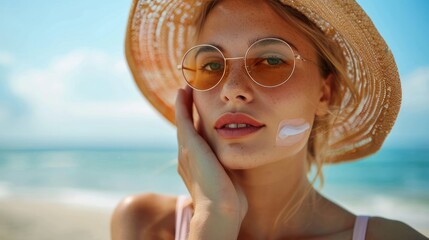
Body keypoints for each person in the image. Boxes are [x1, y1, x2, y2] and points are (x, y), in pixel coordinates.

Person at [111, 0, 428, 239]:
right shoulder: (145, 224)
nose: (232, 90)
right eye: (210, 65)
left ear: (324, 93)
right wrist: (213, 218)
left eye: (272, 60)